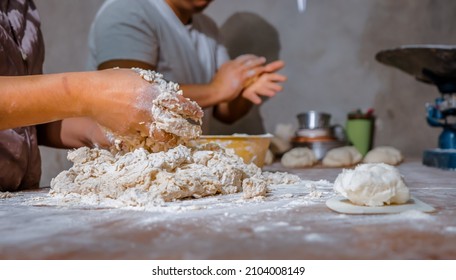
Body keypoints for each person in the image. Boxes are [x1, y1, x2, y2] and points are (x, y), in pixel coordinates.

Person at [0, 0, 202, 192]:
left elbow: (26, 119)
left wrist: (97, 131)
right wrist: (89, 92)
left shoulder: (24, 7)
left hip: (16, 198)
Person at [87, 0, 287, 133]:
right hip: (124, 169)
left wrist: (242, 91)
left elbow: (224, 112)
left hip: (179, 167)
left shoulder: (207, 27)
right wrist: (217, 90)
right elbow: (125, 95)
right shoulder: (128, 10)